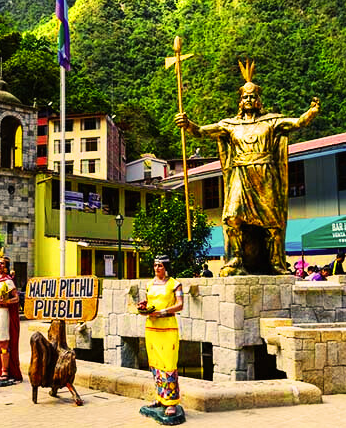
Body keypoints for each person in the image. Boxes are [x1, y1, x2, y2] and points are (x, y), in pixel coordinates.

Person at [175, 60, 320, 276]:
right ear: (240, 101)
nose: (249, 99)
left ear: (258, 100)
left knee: (272, 221)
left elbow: (297, 123)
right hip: (240, 176)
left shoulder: (271, 122)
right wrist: (188, 125)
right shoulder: (230, 125)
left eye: (253, 96)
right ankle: (234, 260)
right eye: (245, 97)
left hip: (265, 174)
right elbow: (203, 131)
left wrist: (311, 112)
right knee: (232, 216)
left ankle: (276, 263)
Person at [137, 255, 184, 418]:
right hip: (152, 326)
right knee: (155, 364)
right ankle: (160, 398)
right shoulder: (149, 284)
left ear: (166, 267)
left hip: (167, 326)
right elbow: (151, 302)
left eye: (160, 266)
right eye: (155, 265)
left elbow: (180, 305)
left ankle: (171, 402)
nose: (157, 268)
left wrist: (162, 311)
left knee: (168, 364)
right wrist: (144, 307)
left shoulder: (175, 284)